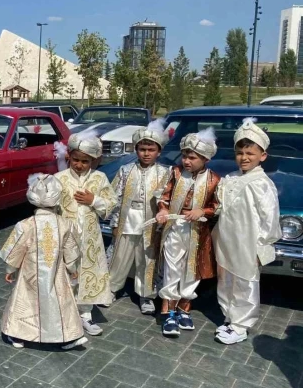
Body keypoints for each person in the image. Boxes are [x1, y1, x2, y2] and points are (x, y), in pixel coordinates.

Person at [0, 173, 88, 350]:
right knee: (60, 302)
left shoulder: (25, 225)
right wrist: (72, 269)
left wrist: (10, 269)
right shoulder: (65, 224)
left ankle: (17, 335)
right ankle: (67, 337)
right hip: (56, 273)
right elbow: (70, 250)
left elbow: (16, 249)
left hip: (29, 275)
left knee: (25, 301)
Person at [212, 118, 281, 345]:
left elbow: (269, 219)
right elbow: (221, 206)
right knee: (226, 280)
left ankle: (241, 326)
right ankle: (230, 317)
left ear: (263, 156)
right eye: (240, 152)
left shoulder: (262, 184)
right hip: (226, 240)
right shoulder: (230, 178)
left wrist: (262, 246)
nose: (244, 157)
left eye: (250, 153)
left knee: (245, 282)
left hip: (248, 244)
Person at [156, 128, 220, 337]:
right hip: (175, 229)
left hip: (197, 233)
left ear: (205, 159)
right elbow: (163, 196)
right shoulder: (175, 173)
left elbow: (217, 205)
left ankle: (184, 308)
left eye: (192, 158)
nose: (186, 161)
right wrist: (163, 210)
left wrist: (203, 211)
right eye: (184, 156)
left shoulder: (213, 180)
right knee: (172, 269)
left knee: (191, 272)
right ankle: (168, 313)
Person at [54, 131, 118, 336]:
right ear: (69, 157)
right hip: (66, 236)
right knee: (65, 272)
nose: (79, 165)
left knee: (87, 274)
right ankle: (63, 312)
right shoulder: (59, 178)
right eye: (76, 160)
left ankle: (85, 314)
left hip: (90, 238)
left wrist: (94, 201)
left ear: (94, 160)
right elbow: (49, 205)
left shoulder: (99, 178)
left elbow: (111, 203)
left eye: (85, 161)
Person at [107, 120, 170, 315]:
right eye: (142, 149)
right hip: (127, 220)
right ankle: (111, 288)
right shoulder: (125, 170)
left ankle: (146, 295)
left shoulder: (165, 173)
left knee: (147, 258)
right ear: (136, 150)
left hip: (150, 223)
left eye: (151, 150)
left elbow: (167, 200)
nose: (146, 153)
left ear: (159, 151)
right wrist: (115, 222)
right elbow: (115, 198)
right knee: (120, 256)